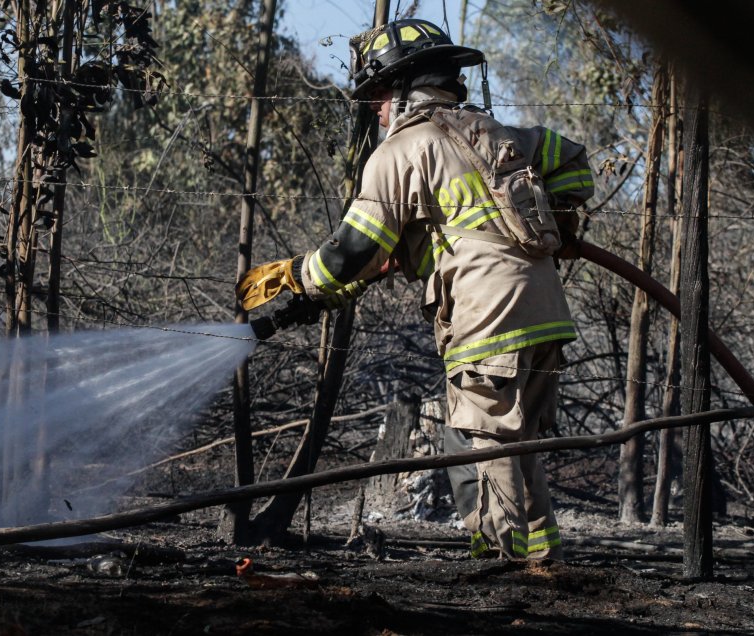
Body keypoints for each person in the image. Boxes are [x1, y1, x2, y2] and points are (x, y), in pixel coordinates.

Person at [238, 18, 594, 560]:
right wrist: (561, 231)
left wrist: (296, 276)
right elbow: (571, 160)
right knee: (517, 439)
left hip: (486, 317)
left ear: (406, 89)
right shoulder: (494, 133)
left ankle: (518, 561)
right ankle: (536, 557)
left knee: (489, 438)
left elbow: (352, 249)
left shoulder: (402, 151)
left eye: (379, 95)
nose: (376, 109)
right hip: (544, 311)